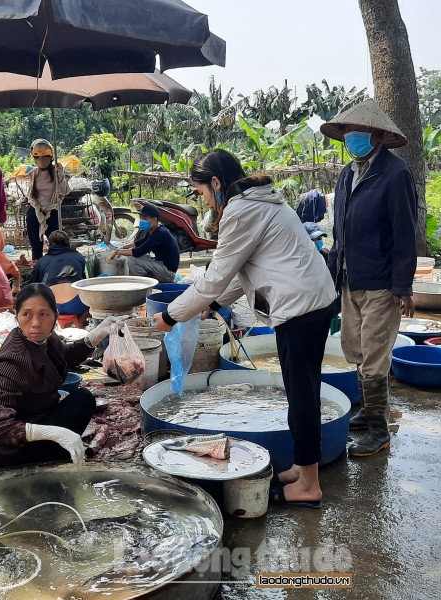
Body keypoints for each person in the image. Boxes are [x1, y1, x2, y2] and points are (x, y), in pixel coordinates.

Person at [153, 149, 336, 508]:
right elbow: (244, 270)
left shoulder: (241, 210)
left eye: (203, 192)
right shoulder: (260, 201)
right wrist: (216, 304)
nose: (204, 200)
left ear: (217, 183)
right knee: (304, 390)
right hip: (313, 301)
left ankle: (309, 485)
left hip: (299, 309)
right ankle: (303, 467)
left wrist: (173, 315)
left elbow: (216, 275)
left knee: (301, 395)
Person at [321, 98, 417, 458]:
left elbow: (405, 232)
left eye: (356, 132)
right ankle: (370, 410)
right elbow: (339, 232)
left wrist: (402, 286)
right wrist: (333, 275)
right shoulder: (348, 173)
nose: (350, 138)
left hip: (380, 281)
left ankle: (379, 431)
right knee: (357, 350)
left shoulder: (395, 173)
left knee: (376, 356)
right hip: (350, 276)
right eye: (346, 132)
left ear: (376, 135)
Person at [0, 284, 125, 468]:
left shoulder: (47, 338)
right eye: (27, 314)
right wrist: (57, 434)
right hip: (10, 448)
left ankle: (56, 449)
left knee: (84, 399)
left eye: (44, 314)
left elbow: (65, 356)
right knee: (69, 425)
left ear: (55, 316)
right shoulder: (10, 363)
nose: (35, 323)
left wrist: (96, 334)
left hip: (38, 415)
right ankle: (51, 455)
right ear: (17, 317)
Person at [109, 204, 179, 283]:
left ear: (154, 219)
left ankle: (147, 282)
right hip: (161, 265)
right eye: (141, 218)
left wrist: (117, 252)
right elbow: (140, 242)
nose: (142, 221)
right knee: (138, 256)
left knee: (132, 260)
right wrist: (123, 247)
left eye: (145, 218)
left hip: (168, 273)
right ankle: (151, 278)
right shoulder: (153, 230)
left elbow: (138, 252)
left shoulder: (160, 234)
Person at [26, 139, 68, 260]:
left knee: (55, 241)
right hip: (36, 209)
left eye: (45, 157)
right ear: (34, 158)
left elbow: (64, 191)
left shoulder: (57, 172)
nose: (42, 161)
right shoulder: (33, 174)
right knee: (35, 241)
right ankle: (37, 262)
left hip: (52, 209)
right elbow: (31, 195)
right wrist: (37, 208)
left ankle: (55, 261)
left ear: (50, 157)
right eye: (38, 158)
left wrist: (61, 174)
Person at [29, 230, 89, 315]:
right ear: (69, 243)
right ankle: (82, 320)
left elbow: (31, 286)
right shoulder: (78, 257)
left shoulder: (42, 261)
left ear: (49, 245)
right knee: (102, 278)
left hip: (50, 307)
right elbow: (84, 282)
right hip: (75, 305)